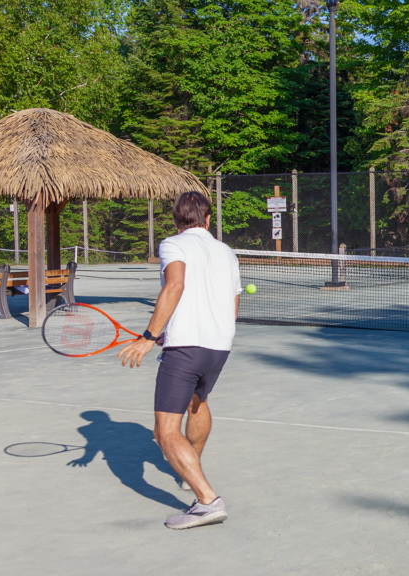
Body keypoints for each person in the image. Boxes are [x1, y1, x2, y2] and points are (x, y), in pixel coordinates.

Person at [118, 191, 242, 530]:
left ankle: (207, 501)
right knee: (197, 403)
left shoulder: (173, 243)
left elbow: (175, 286)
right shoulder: (227, 252)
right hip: (219, 346)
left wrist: (147, 337)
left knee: (164, 431)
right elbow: (233, 302)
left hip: (185, 349)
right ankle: (191, 470)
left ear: (176, 220)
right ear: (207, 219)